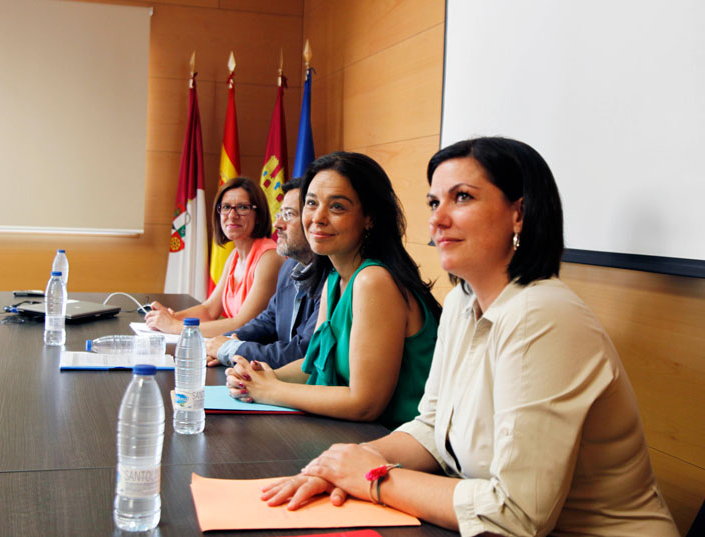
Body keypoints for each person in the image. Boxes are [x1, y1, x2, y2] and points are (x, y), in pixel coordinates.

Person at [261, 137, 679, 537]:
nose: (438, 219)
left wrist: (373, 478)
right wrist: (344, 464)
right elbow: (430, 427)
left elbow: (515, 515)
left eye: (462, 197)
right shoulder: (464, 300)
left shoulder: (543, 315)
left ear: (520, 213)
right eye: (433, 201)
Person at [226, 152, 442, 429]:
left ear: (369, 218)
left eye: (337, 207)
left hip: (397, 443)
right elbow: (313, 365)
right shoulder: (333, 278)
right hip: (350, 434)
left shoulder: (373, 280)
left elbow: (365, 404)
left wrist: (270, 390)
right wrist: (262, 377)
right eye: (311, 203)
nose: (317, 217)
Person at [205, 178, 323, 368]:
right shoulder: (289, 267)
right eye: (280, 214)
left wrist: (232, 348)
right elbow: (267, 322)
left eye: (289, 214)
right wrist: (221, 344)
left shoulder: (331, 277)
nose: (278, 224)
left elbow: (304, 352)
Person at [145, 177, 283, 338]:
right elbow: (209, 310)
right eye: (226, 207)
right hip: (236, 348)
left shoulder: (269, 257)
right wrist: (171, 317)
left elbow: (242, 324)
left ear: (258, 215)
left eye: (242, 207)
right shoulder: (234, 256)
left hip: (259, 355)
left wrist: (175, 326)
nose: (232, 215)